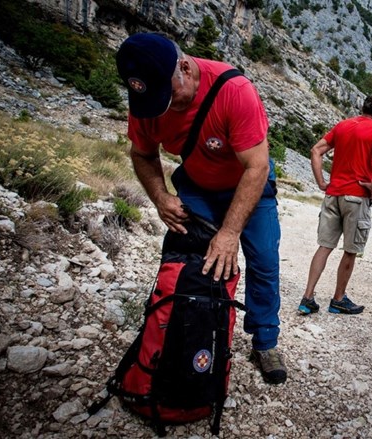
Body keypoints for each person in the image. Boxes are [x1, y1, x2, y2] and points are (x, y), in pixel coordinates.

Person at [115, 33, 286, 384]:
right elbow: (142, 153)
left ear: (185, 67)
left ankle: (265, 341)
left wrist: (229, 232)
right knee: (190, 257)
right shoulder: (148, 102)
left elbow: (258, 167)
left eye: (169, 95)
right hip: (197, 186)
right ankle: (186, 326)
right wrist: (161, 198)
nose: (162, 108)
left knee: (264, 261)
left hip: (249, 186)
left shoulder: (234, 92)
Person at [298, 95, 372, 315]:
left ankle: (307, 297)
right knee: (350, 251)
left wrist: (321, 182)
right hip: (356, 197)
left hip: (333, 195)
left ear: (362, 108)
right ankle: (338, 299)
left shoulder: (343, 125)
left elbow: (316, 150)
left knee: (324, 246)